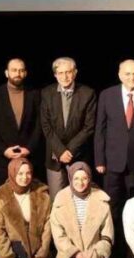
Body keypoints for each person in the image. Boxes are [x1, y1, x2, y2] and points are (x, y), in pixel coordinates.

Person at [95, 59, 134, 249]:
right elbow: (100, 129)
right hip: (112, 163)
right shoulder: (107, 95)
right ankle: (114, 252)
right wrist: (100, 159)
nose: (132, 78)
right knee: (112, 208)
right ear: (120, 75)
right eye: (128, 74)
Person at [50, 162, 114, 258]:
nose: (80, 182)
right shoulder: (61, 199)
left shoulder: (101, 199)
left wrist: (94, 254)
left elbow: (107, 233)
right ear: (71, 179)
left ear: (89, 178)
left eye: (84, 178)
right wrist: (75, 253)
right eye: (76, 178)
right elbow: (58, 233)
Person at [39, 57, 97, 198]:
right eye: (60, 73)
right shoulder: (47, 93)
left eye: (68, 72)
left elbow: (89, 127)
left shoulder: (88, 93)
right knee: (57, 199)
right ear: (55, 75)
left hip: (78, 154)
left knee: (80, 197)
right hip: (54, 156)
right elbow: (46, 125)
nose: (65, 76)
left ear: (75, 73)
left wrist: (69, 150)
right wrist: (60, 151)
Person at [0, 59, 42, 186]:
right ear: (6, 73)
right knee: (5, 199)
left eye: (21, 70)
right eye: (14, 70)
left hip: (28, 157)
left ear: (25, 73)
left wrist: (29, 148)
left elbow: (39, 125)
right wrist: (4, 150)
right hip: (3, 159)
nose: (18, 73)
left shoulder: (35, 94)